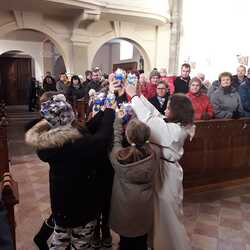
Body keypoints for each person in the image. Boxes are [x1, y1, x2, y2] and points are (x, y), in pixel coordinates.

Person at [25, 94, 115, 249]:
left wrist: (101, 113)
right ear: (69, 119)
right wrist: (109, 113)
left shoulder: (51, 141)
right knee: (80, 244)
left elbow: (85, 129)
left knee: (60, 240)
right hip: (82, 207)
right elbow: (100, 139)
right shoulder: (76, 145)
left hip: (61, 206)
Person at [126, 83, 194, 250]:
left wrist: (134, 97)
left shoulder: (175, 131)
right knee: (159, 214)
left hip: (168, 175)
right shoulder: (175, 124)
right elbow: (155, 114)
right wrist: (140, 95)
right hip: (164, 170)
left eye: (169, 107)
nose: (165, 109)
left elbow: (149, 121)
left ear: (177, 112)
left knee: (168, 216)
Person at [109, 117, 160, 250]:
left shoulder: (118, 157)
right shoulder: (155, 154)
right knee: (141, 241)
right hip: (144, 206)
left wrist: (117, 123)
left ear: (129, 137)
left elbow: (116, 142)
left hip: (124, 207)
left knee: (125, 242)